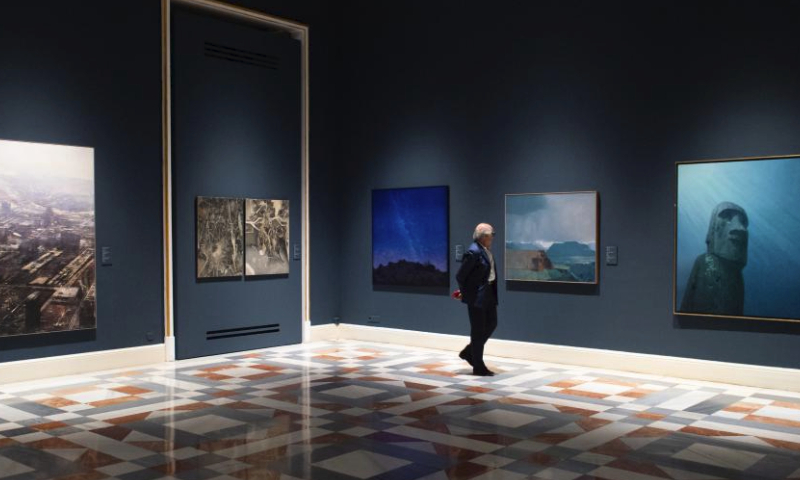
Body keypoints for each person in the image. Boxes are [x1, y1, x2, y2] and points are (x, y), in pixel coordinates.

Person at [454, 223, 498, 376]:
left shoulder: (484, 250)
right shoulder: (473, 252)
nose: (493, 236)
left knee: (492, 323)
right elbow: (460, 276)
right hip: (477, 297)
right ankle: (478, 366)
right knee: (478, 331)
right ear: (484, 236)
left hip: (488, 293)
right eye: (492, 233)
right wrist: (465, 293)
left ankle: (469, 352)